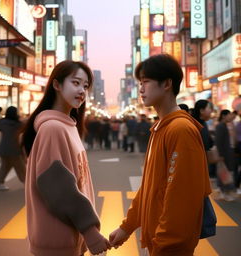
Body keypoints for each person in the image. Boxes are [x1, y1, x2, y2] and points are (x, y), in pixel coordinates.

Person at [109, 54, 212, 255]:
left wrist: (164, 245)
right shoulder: (159, 128)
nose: (140, 88)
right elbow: (149, 187)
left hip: (169, 247)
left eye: (146, 82)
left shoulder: (180, 129)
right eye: (140, 82)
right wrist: (126, 227)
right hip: (158, 241)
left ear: (166, 84)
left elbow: (182, 198)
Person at [21, 60, 110, 256]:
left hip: (68, 237)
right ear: (57, 85)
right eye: (76, 83)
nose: (82, 91)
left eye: (85, 86)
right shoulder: (53, 128)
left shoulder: (68, 126)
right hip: (57, 240)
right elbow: (58, 188)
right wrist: (90, 232)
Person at [0, 106, 25, 191]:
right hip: (14, 149)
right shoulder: (18, 124)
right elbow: (23, 127)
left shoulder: (1, 122)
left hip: (3, 148)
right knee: (20, 167)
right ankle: (27, 182)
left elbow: (0, 129)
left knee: (5, 166)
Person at [215, 110, 236, 201]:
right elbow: (219, 142)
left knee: (224, 173)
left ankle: (224, 193)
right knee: (224, 173)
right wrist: (221, 155)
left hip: (226, 153)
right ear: (223, 116)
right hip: (224, 154)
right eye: (228, 115)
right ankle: (225, 193)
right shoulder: (220, 126)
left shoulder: (223, 125)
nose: (230, 117)